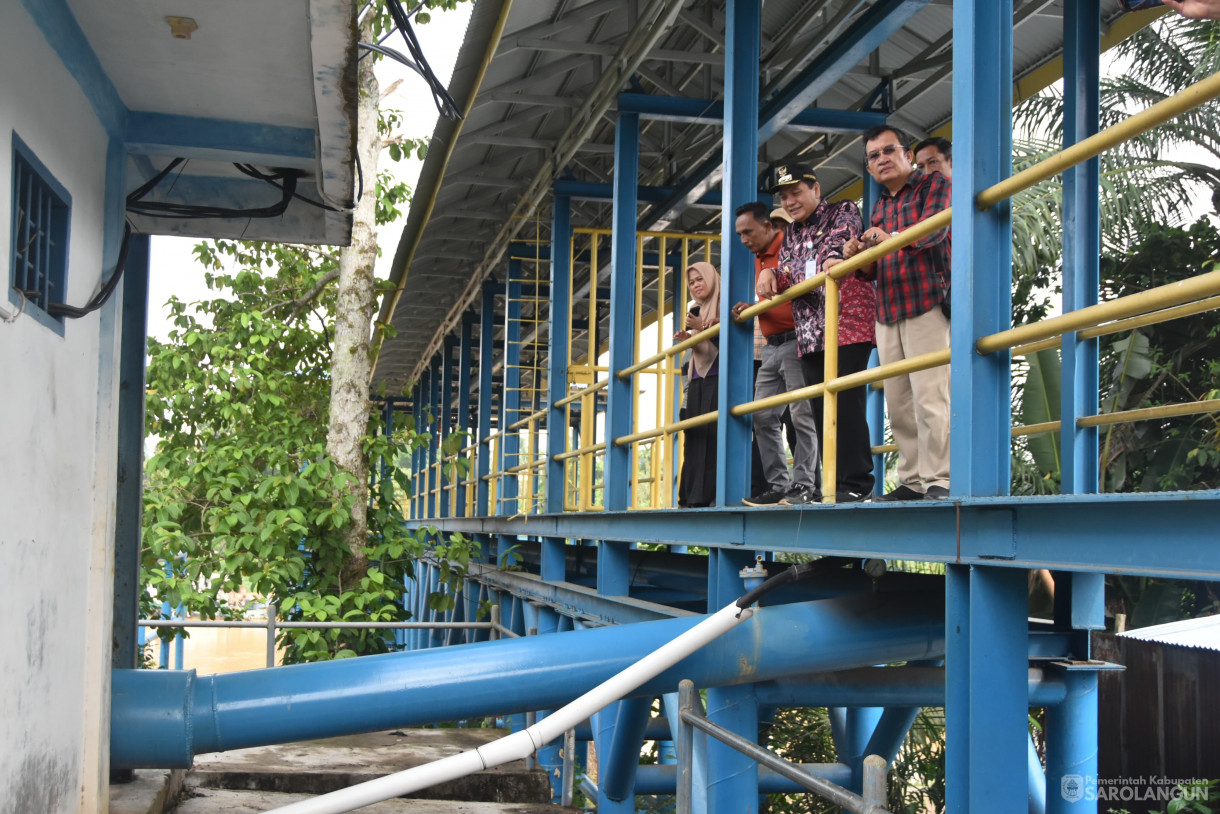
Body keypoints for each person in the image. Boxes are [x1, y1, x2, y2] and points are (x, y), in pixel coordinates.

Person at [749, 163, 877, 503]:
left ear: (815, 190)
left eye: (796, 193)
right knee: (820, 409)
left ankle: (857, 484)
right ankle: (832, 485)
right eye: (785, 196)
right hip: (809, 334)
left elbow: (837, 250)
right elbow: (792, 273)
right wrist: (772, 274)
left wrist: (826, 263)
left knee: (846, 403)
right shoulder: (791, 233)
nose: (790, 201)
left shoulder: (842, 211)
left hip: (845, 323)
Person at [843, 125, 951, 501]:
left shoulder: (932, 185)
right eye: (874, 156)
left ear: (907, 154)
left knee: (930, 396)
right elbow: (872, 268)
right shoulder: (880, 206)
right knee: (899, 403)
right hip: (887, 310)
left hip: (925, 302)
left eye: (889, 151)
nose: (882, 159)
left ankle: (941, 478)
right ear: (869, 168)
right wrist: (860, 253)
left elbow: (932, 233)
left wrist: (887, 240)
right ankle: (912, 481)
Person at [732, 202, 820, 507]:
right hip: (771, 346)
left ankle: (805, 484)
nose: (743, 239)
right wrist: (752, 307)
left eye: (748, 232)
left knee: (801, 413)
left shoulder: (790, 246)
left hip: (797, 340)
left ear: (769, 227)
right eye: (739, 234)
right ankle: (778, 484)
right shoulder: (759, 257)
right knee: (762, 414)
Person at [674, 261, 721, 508]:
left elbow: (729, 344)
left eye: (699, 279)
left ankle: (712, 496)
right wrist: (688, 339)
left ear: (710, 278)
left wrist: (701, 328)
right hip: (697, 379)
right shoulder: (696, 309)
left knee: (713, 438)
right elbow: (699, 348)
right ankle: (690, 498)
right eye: (691, 282)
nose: (695, 286)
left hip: (719, 377)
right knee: (694, 439)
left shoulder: (724, 302)